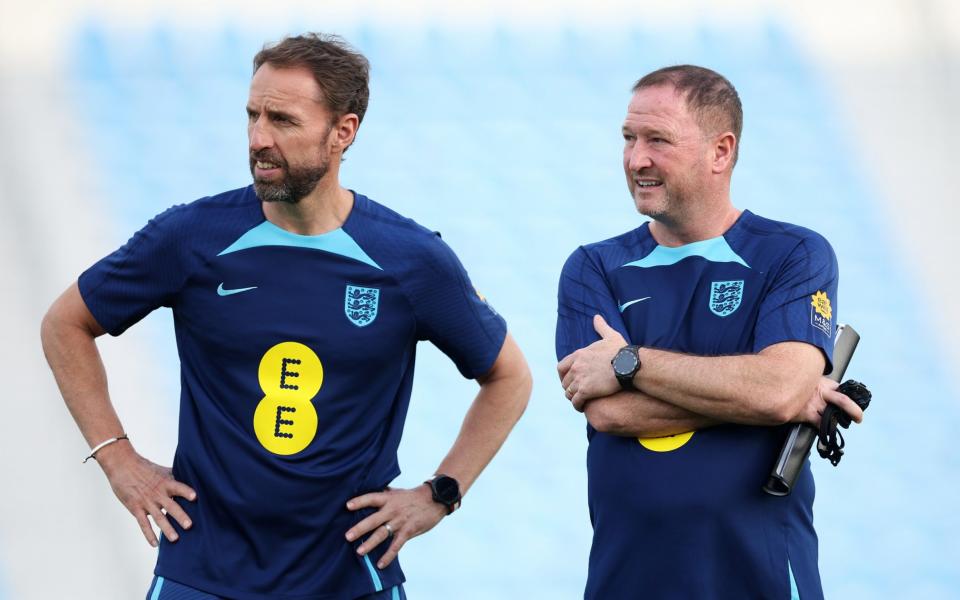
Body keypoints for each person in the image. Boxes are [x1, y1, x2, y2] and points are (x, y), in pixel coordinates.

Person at [41, 33, 531, 600]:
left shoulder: (410, 259)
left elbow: (509, 377)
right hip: (203, 573)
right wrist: (118, 460)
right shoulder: (191, 236)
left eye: (282, 120)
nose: (258, 139)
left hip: (349, 577)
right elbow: (65, 323)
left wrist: (441, 493)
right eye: (252, 116)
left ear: (343, 132)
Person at [555, 65, 864, 599]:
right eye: (628, 139)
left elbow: (775, 390)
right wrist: (773, 397)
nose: (636, 159)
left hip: (760, 577)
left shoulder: (792, 254)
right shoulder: (593, 267)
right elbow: (608, 412)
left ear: (721, 152)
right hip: (628, 580)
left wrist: (630, 365)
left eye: (658, 140)